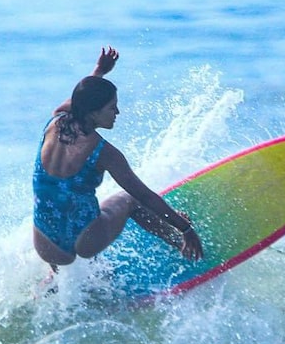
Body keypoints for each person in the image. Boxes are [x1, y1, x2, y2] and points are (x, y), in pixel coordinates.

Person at [33, 47, 203, 268]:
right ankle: (181, 246)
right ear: (94, 112)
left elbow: (80, 99)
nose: (118, 112)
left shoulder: (56, 122)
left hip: (46, 246)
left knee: (57, 198)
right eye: (112, 108)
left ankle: (54, 278)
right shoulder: (104, 153)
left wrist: (99, 71)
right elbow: (144, 195)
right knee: (130, 200)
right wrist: (185, 228)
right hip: (85, 242)